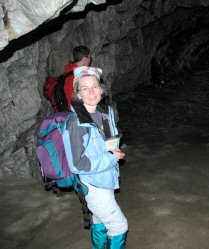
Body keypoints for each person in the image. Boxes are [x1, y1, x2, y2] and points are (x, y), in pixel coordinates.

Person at [62, 66, 128, 248]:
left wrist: (114, 153)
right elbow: (77, 164)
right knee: (119, 226)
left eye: (94, 86)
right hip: (92, 183)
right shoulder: (75, 124)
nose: (91, 92)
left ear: (101, 89)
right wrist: (110, 158)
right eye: (84, 88)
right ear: (78, 95)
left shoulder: (105, 114)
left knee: (100, 220)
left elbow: (108, 144)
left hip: (106, 177)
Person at [63, 45, 91, 110]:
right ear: (84, 59)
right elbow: (71, 103)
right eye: (89, 58)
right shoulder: (74, 77)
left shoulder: (69, 70)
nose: (90, 60)